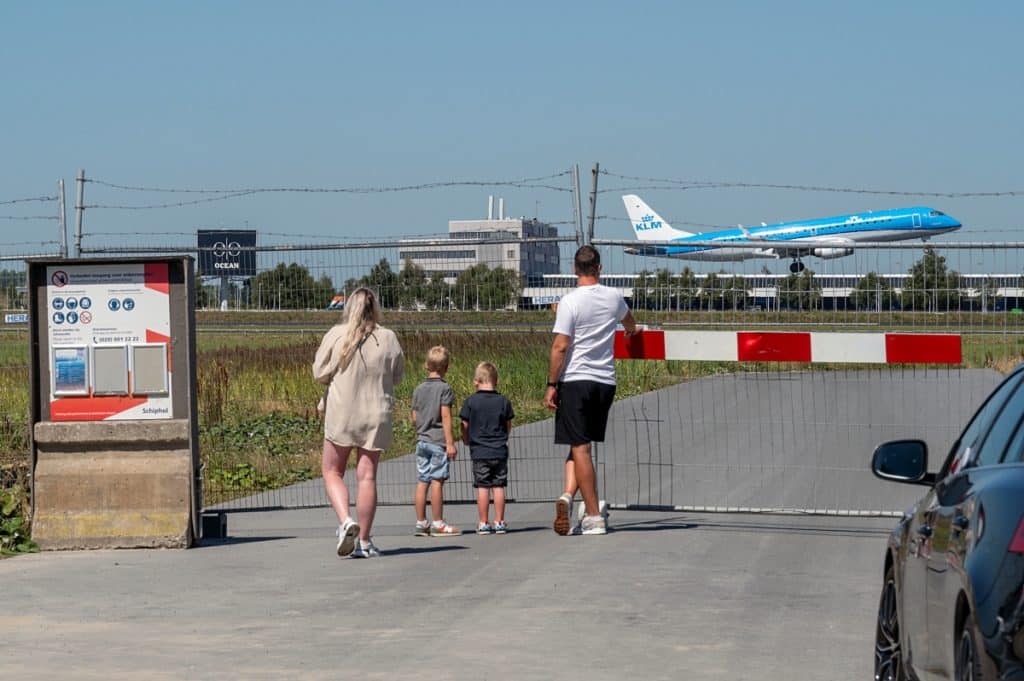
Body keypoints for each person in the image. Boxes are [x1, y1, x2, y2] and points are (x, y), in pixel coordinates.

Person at [544, 245, 637, 536]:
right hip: (605, 382)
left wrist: (551, 384)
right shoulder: (613, 297)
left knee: (580, 447)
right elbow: (629, 323)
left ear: (574, 269)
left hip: (576, 381)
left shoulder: (570, 302)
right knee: (580, 444)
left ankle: (594, 515)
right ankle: (568, 496)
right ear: (599, 268)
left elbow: (560, 346)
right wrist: (631, 333)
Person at [313, 287, 405, 558]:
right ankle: (364, 541)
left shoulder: (337, 334)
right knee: (367, 476)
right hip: (376, 413)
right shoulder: (388, 337)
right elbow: (398, 375)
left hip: (343, 411)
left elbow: (319, 372)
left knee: (332, 471)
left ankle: (345, 521)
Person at [410, 346, 462, 537]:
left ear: (426, 365)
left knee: (422, 481)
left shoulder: (418, 389)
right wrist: (450, 442)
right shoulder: (444, 388)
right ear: (446, 367)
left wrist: (420, 430)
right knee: (437, 481)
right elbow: (446, 416)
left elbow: (414, 416)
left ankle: (421, 522)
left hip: (422, 440)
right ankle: (438, 522)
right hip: (438, 441)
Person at [460, 361, 515, 535]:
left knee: (482, 486)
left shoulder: (471, 401)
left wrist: (466, 437)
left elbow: (464, 423)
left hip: (479, 450)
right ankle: (499, 521)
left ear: (476, 381)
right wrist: (504, 437)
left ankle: (484, 522)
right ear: (496, 381)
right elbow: (508, 423)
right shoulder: (503, 401)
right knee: (498, 485)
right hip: (499, 449)